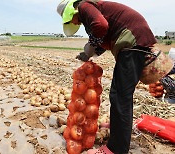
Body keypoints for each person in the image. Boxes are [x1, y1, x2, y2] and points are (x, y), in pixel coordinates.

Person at [57, 0, 173, 153]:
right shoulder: (92, 10)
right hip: (133, 43)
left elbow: (101, 26)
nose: (73, 23)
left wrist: (90, 47)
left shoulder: (84, 6)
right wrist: (89, 53)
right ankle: (117, 127)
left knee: (120, 97)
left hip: (132, 43)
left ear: (71, 12)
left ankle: (116, 148)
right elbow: (105, 35)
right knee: (119, 94)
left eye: (69, 20)